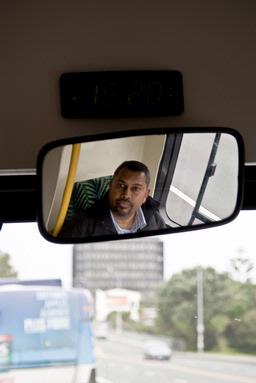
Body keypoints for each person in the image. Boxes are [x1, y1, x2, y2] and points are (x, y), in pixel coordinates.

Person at [59, 160, 167, 237]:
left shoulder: (155, 219)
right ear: (110, 186)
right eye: (121, 185)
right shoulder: (83, 224)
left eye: (135, 189)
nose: (126, 194)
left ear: (145, 195)